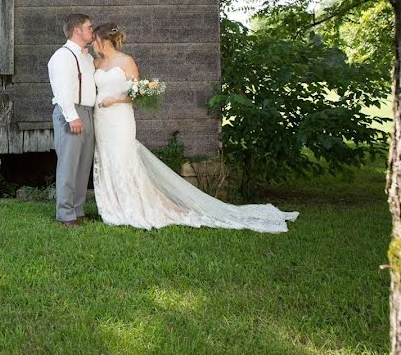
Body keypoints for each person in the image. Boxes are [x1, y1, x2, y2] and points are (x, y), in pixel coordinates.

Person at [90, 22, 300, 233]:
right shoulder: (97, 64)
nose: (92, 44)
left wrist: (115, 99)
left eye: (95, 40)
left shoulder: (126, 61)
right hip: (101, 119)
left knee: (123, 157)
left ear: (104, 41)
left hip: (119, 118)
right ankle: (112, 204)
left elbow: (138, 93)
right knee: (107, 156)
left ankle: (131, 204)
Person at [47, 14, 97, 227]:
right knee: (69, 164)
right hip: (72, 113)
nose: (92, 31)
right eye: (89, 27)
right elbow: (62, 88)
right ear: (77, 30)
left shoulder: (87, 56)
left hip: (87, 112)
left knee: (83, 165)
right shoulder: (63, 55)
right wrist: (71, 115)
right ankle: (65, 214)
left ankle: (78, 209)